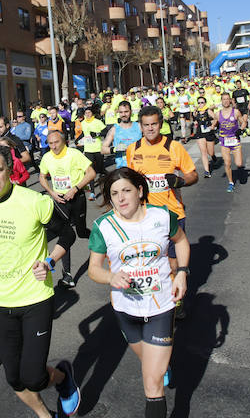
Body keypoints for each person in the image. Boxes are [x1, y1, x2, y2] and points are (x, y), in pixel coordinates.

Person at [0, 145, 81, 418]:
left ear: (9, 170)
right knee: (14, 379)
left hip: (36, 298)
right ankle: (46, 416)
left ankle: (62, 377)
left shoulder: (32, 201)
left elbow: (68, 234)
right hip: (2, 300)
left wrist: (50, 263)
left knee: (34, 378)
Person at [87, 168, 190, 418]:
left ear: (140, 191)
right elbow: (93, 269)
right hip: (126, 310)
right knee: (149, 363)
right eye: (114, 194)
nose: (121, 198)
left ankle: (158, 374)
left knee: (152, 384)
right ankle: (160, 364)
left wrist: (183, 273)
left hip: (161, 306)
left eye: (126, 191)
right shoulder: (104, 226)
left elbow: (182, 241)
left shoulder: (163, 216)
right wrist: (111, 276)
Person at [125, 106, 197, 319]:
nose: (150, 129)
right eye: (146, 125)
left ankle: (177, 298)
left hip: (172, 213)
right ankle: (155, 299)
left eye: (154, 124)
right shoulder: (133, 150)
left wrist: (181, 181)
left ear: (160, 124)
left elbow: (193, 175)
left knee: (173, 262)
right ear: (140, 126)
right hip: (144, 215)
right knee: (150, 260)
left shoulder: (173, 147)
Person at [39, 130, 97, 287]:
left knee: (81, 231)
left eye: (56, 142)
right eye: (50, 143)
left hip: (76, 197)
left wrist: (75, 189)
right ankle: (68, 275)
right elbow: (42, 177)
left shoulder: (74, 154)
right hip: (60, 200)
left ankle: (99, 242)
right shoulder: (47, 157)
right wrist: (51, 192)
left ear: (63, 141)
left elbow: (91, 173)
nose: (53, 146)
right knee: (66, 234)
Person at [216, 93, 245, 193]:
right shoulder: (218, 113)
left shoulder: (236, 112)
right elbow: (214, 123)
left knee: (239, 163)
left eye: (227, 99)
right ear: (221, 101)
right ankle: (231, 182)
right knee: (227, 163)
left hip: (235, 140)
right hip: (224, 141)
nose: (226, 101)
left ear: (230, 100)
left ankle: (240, 170)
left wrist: (241, 129)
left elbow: (244, 122)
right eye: (224, 99)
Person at [100, 101, 142, 169]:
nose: (123, 114)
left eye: (126, 111)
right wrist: (115, 149)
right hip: (122, 169)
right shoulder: (114, 129)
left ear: (131, 112)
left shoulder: (139, 126)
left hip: (139, 167)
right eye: (121, 112)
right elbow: (102, 150)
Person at [77, 106, 107, 198]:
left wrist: (97, 134)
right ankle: (92, 192)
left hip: (98, 149)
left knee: (100, 169)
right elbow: (84, 133)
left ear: (92, 113)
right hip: (88, 150)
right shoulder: (83, 123)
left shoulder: (97, 122)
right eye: (86, 113)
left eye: (89, 113)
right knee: (90, 170)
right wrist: (77, 139)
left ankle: (107, 179)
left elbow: (106, 131)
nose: (87, 115)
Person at [191, 96, 217, 178]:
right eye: (199, 103)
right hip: (200, 133)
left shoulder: (208, 110)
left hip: (209, 132)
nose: (200, 104)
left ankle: (213, 156)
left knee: (210, 152)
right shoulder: (196, 112)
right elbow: (194, 118)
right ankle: (207, 171)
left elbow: (216, 118)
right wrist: (194, 114)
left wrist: (213, 125)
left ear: (205, 103)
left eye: (202, 102)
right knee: (203, 152)